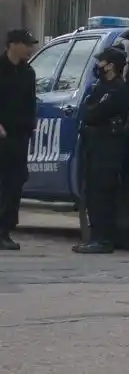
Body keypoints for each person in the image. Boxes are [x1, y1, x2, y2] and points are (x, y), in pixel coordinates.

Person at [73, 47, 129, 255]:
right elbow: (88, 110)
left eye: (102, 62)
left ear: (111, 65)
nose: (98, 66)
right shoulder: (103, 86)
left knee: (101, 192)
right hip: (97, 145)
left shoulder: (116, 89)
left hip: (108, 146)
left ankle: (102, 239)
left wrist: (90, 111)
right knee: (94, 191)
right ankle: (99, 237)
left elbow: (93, 113)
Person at [0, 29, 38, 251]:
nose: (30, 49)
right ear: (13, 44)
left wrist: (31, 124)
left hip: (18, 135)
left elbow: (30, 101)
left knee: (14, 183)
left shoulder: (28, 72)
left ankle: (4, 230)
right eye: (26, 44)